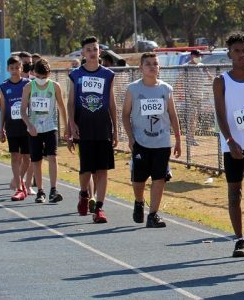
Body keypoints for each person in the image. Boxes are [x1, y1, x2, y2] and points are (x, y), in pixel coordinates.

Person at [213, 32, 244, 257]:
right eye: (237, 51)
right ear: (229, 54)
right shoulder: (221, 81)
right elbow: (220, 115)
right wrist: (230, 140)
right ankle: (240, 239)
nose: (242, 55)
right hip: (232, 145)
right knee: (235, 193)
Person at [122, 52, 182, 228]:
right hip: (140, 140)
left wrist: (177, 138)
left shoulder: (166, 89)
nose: (152, 66)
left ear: (159, 67)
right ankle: (139, 201)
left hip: (162, 141)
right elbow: (125, 115)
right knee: (139, 179)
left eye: (155, 63)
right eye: (147, 63)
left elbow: (172, 114)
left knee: (159, 178)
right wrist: (130, 137)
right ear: (141, 67)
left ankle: (153, 214)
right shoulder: (133, 89)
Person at [67, 37, 118, 223]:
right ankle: (83, 194)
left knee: (103, 170)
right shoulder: (76, 74)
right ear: (83, 53)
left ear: (99, 52)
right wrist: (72, 125)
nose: (92, 52)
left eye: (95, 49)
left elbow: (111, 103)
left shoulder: (108, 75)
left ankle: (100, 208)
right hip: (84, 127)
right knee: (87, 169)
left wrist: (116, 130)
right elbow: (71, 102)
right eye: (88, 49)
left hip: (103, 126)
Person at [21, 59, 68, 204]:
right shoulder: (29, 87)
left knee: (52, 157)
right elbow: (23, 110)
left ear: (49, 74)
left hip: (50, 127)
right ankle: (40, 191)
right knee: (36, 160)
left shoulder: (55, 86)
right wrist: (29, 125)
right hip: (34, 129)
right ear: (34, 73)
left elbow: (61, 107)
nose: (41, 80)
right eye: (39, 77)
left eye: (44, 77)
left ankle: (54, 190)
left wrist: (66, 127)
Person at [1, 57, 31, 201]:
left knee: (26, 157)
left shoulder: (28, 84)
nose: (14, 70)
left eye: (17, 67)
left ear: (21, 68)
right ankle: (19, 187)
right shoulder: (4, 86)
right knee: (14, 156)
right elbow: (4, 108)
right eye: (11, 68)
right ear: (8, 69)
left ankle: (18, 179)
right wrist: (1, 128)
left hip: (26, 126)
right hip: (12, 126)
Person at [17, 51, 36, 195]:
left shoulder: (33, 82)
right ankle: (19, 181)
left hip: (31, 122)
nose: (28, 65)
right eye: (25, 62)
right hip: (16, 124)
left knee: (30, 155)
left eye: (30, 62)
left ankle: (28, 184)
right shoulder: (13, 81)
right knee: (19, 156)